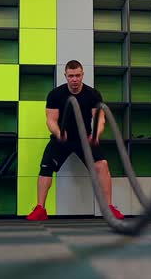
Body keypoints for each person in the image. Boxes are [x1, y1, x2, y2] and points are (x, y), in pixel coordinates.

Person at [26, 60, 125, 221]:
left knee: (102, 165)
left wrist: (96, 135)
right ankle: (40, 209)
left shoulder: (93, 94)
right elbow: (50, 120)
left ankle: (108, 208)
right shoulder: (56, 94)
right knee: (45, 167)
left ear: (82, 75)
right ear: (65, 76)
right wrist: (58, 133)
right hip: (61, 138)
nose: (74, 79)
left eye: (77, 75)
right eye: (71, 76)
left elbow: (100, 119)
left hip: (85, 138)